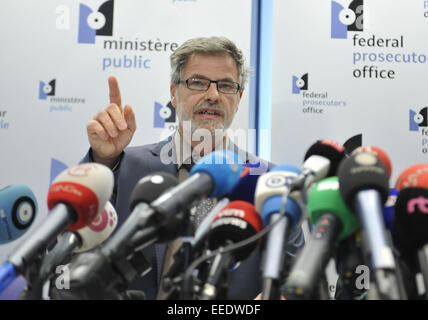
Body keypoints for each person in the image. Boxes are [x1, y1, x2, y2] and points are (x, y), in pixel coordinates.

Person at [81, 36, 304, 299]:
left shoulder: (269, 182)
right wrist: (103, 161)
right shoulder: (126, 165)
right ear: (174, 94)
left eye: (226, 85)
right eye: (197, 82)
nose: (213, 95)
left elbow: (296, 277)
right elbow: (76, 245)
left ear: (239, 97)